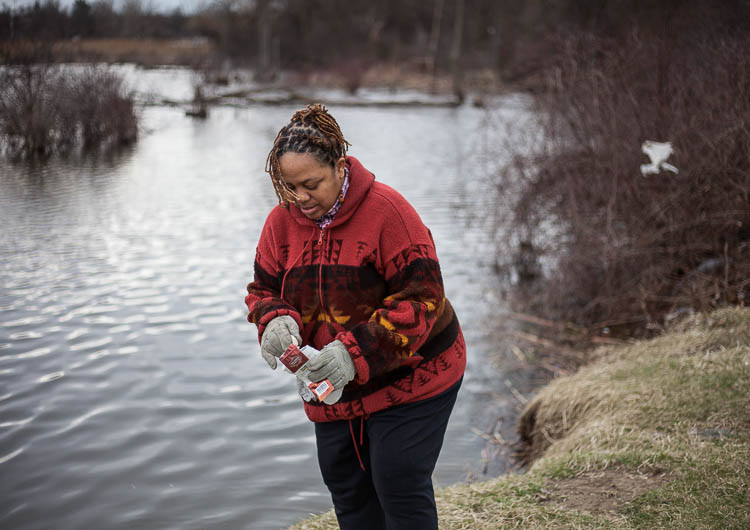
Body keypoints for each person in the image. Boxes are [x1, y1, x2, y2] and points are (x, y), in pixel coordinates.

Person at [245, 103, 466, 530]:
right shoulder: (280, 224)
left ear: (341, 167)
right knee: (346, 485)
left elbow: (423, 300)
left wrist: (353, 354)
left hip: (415, 374)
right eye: (289, 187)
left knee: (397, 479)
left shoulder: (390, 214)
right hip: (330, 385)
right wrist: (273, 320)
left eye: (311, 184)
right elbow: (263, 290)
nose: (300, 198)